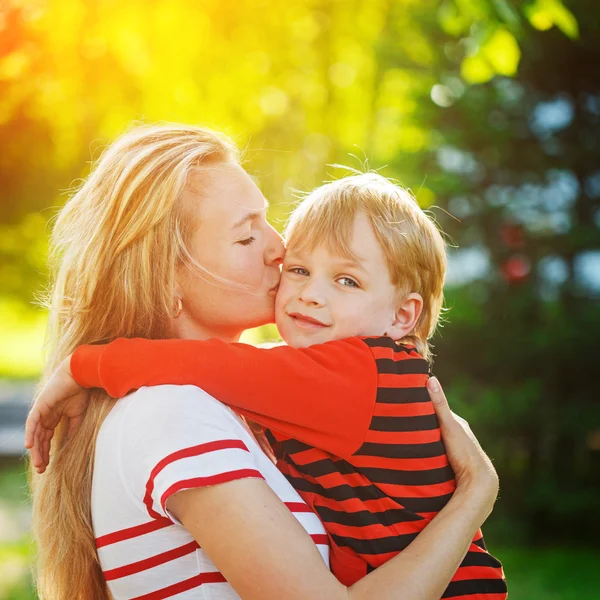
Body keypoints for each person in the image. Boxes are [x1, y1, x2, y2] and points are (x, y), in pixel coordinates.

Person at [27, 123, 500, 600]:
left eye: (268, 222)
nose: (279, 248)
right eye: (246, 237)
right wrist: (473, 495)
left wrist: (83, 366)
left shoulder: (244, 399)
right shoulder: (172, 413)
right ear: (166, 277)